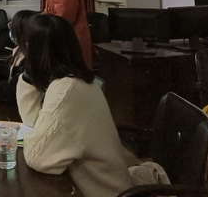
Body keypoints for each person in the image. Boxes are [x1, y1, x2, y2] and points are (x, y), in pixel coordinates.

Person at [16, 13, 132, 197]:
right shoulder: (75, 80)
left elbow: (37, 157)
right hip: (94, 186)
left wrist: (34, 137)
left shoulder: (66, 92)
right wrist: (28, 77)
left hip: (104, 192)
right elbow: (34, 121)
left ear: (38, 51)